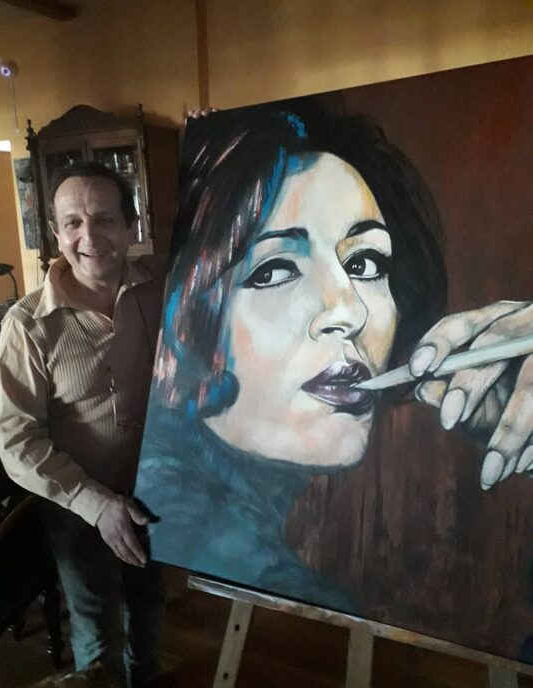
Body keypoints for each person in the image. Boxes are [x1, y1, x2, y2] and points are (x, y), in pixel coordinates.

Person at [135, 101, 532, 613]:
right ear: (186, 316)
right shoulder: (247, 562)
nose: (349, 309)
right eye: (274, 270)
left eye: (365, 263)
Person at [0, 161, 170, 688]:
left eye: (104, 219)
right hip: (77, 507)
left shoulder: (163, 286)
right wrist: (95, 504)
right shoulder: (27, 325)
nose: (88, 236)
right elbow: (16, 440)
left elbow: (224, 251)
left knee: (150, 608)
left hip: (156, 493)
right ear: (56, 233)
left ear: (131, 225)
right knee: (97, 634)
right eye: (72, 222)